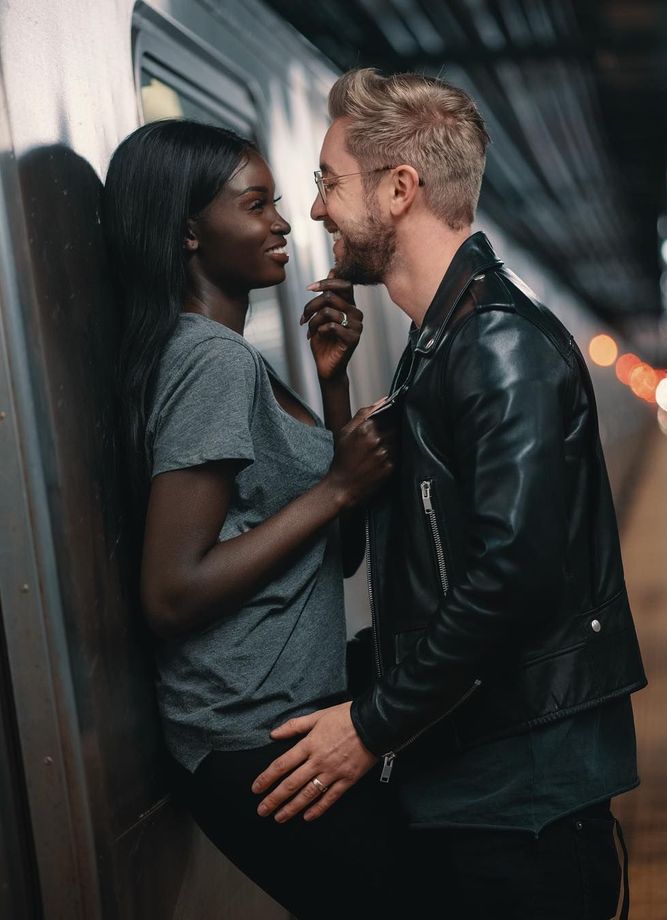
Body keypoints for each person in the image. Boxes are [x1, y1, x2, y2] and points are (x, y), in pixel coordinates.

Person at [252, 68, 648, 919]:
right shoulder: (442, 344)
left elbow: (512, 578)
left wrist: (369, 724)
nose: (317, 209)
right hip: (478, 772)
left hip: (523, 796)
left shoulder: (496, 346)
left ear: (400, 190)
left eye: (327, 182)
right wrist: (334, 393)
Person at [103, 118, 412, 920]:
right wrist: (336, 489)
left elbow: (332, 557)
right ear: (187, 233)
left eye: (277, 201)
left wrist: (334, 389)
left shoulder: (229, 356)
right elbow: (170, 593)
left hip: (280, 724)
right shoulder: (211, 361)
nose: (282, 220)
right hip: (254, 740)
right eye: (254, 205)